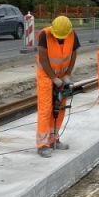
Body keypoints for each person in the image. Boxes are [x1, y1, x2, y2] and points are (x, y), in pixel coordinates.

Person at [35, 16, 79, 158]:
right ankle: (42, 144)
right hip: (46, 76)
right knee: (46, 109)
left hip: (61, 76)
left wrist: (67, 75)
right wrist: (53, 78)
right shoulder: (44, 35)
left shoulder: (72, 34)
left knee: (59, 108)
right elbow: (43, 58)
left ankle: (54, 139)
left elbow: (73, 54)